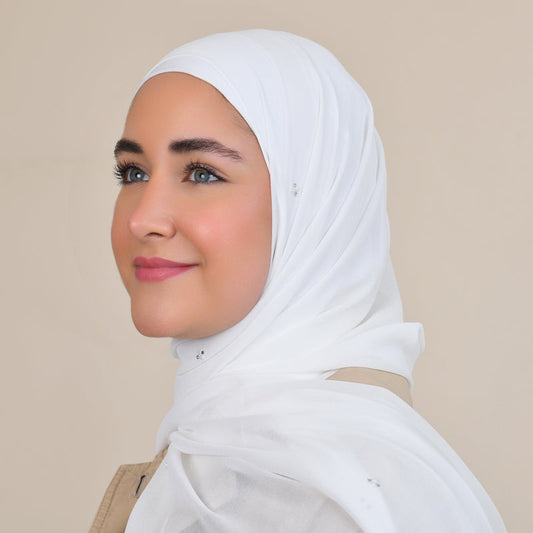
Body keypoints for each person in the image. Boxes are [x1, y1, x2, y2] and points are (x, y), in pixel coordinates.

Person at [91, 30, 506, 532]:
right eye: (133, 173)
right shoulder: (302, 459)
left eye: (201, 173)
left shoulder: (292, 494)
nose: (142, 220)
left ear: (313, 205)